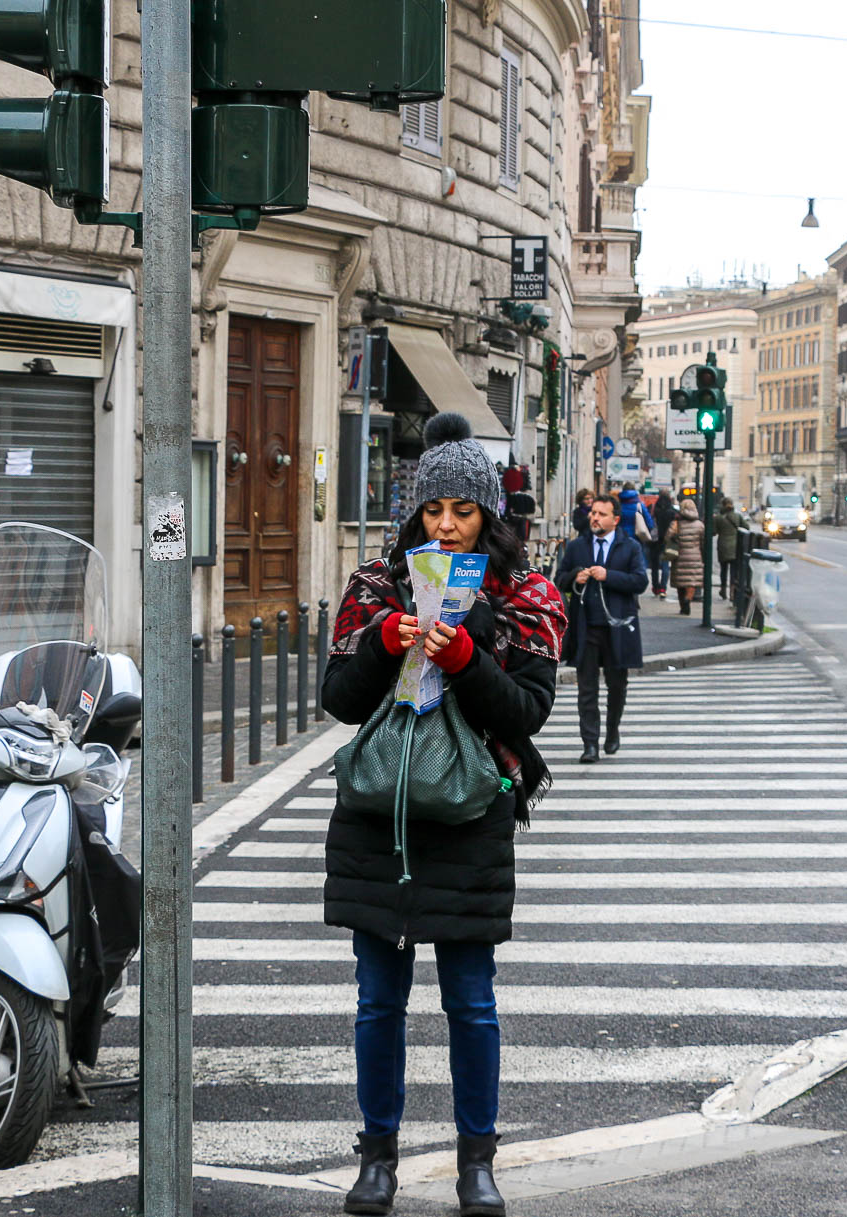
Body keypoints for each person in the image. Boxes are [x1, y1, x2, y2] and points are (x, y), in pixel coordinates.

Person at [322, 412, 566, 1217]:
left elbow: (527, 709)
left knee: (471, 1000)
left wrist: (463, 655)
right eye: (433, 511)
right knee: (376, 1001)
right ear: (413, 514)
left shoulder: (527, 596)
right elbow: (339, 701)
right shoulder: (374, 588)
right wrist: (386, 641)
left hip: (470, 817)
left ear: (490, 516)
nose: (448, 526)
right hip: (380, 817)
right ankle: (377, 1158)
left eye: (464, 510)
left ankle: (476, 1161)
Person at [555, 493, 648, 763]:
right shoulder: (577, 547)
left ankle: (612, 731)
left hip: (618, 627)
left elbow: (640, 581)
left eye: (601, 514)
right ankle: (590, 744)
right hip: (587, 626)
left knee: (617, 686)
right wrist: (576, 576)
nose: (594, 517)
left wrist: (609, 576)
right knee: (587, 689)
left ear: (615, 519)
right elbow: (559, 579)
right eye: (593, 513)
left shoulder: (629, 547)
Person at [669, 497, 704, 615]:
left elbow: (667, 538)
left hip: (679, 556)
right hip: (695, 557)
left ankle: (682, 605)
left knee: (680, 583)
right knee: (691, 582)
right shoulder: (699, 525)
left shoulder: (676, 524)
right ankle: (688, 599)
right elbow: (703, 542)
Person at [712, 496, 745, 600]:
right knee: (734, 571)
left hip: (722, 546)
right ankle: (732, 591)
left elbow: (713, 532)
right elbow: (746, 527)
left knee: (723, 570)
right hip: (735, 547)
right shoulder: (737, 517)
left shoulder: (718, 518)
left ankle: (723, 589)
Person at [650, 490, 676, 599]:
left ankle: (655, 586)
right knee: (665, 565)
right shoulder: (672, 511)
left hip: (655, 541)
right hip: (667, 540)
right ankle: (663, 588)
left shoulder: (655, 509)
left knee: (654, 566)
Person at [617, 483, 655, 558]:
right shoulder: (639, 505)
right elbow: (650, 524)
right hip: (637, 537)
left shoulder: (618, 505)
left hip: (620, 537)